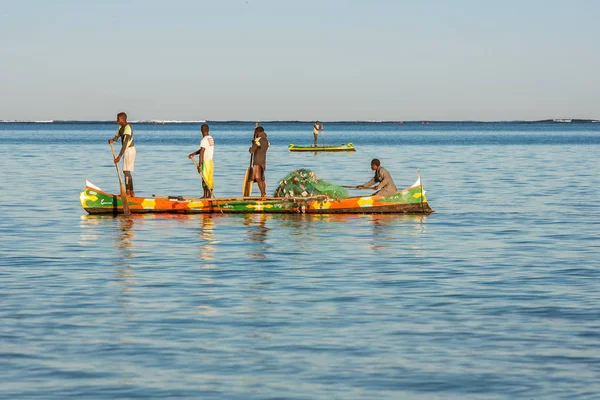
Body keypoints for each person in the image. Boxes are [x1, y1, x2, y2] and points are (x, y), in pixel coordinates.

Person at [108, 112, 136, 196]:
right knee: (126, 172)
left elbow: (125, 144)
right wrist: (112, 140)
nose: (117, 121)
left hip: (129, 150)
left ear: (123, 120)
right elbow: (117, 136)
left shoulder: (128, 128)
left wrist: (119, 156)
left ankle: (127, 192)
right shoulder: (121, 127)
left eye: (118, 119)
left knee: (126, 172)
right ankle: (131, 192)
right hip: (126, 150)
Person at [188, 124, 215, 198]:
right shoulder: (210, 138)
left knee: (204, 179)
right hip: (210, 162)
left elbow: (202, 153)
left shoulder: (203, 140)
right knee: (209, 179)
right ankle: (209, 196)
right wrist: (194, 153)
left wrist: (199, 166)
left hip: (205, 162)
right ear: (208, 130)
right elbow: (203, 150)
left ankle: (205, 196)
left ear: (201, 131)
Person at [249, 126, 270, 198]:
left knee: (258, 178)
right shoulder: (266, 140)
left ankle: (263, 194)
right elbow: (261, 148)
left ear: (258, 132)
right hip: (263, 162)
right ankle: (263, 194)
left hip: (257, 162)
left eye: (255, 132)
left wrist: (253, 144)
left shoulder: (258, 140)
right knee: (262, 179)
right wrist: (254, 142)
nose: (255, 134)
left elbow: (252, 150)